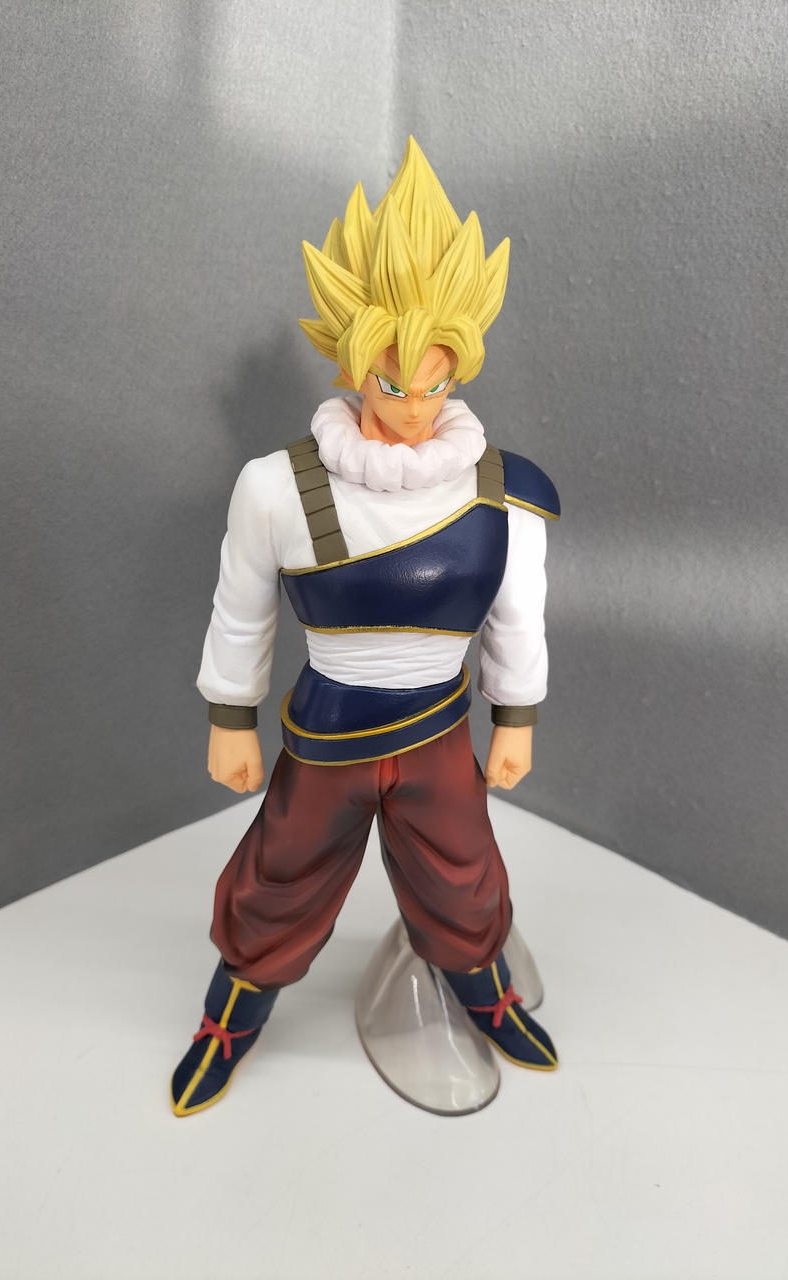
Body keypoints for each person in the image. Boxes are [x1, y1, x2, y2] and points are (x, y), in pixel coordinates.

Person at [171, 139, 561, 1117]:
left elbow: (517, 615)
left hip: (438, 733)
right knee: (280, 875)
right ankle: (231, 1014)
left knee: (462, 875)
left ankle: (485, 989)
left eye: (437, 384)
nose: (417, 409)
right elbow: (241, 608)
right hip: (327, 733)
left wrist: (516, 718)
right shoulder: (278, 487)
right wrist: (229, 717)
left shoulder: (504, 493)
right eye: (394, 385)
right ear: (354, 365)